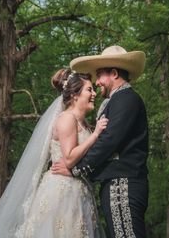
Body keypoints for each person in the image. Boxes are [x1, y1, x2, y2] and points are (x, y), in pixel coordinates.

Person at [0, 69, 108, 238]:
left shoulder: (83, 122)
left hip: (77, 192)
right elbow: (69, 158)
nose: (94, 93)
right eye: (89, 89)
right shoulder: (67, 118)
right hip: (61, 192)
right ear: (75, 95)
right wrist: (95, 135)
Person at [52, 45, 149, 238]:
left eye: (99, 76)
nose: (97, 83)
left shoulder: (126, 99)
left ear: (114, 73)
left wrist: (75, 170)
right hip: (115, 184)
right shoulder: (117, 100)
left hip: (123, 184)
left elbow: (108, 141)